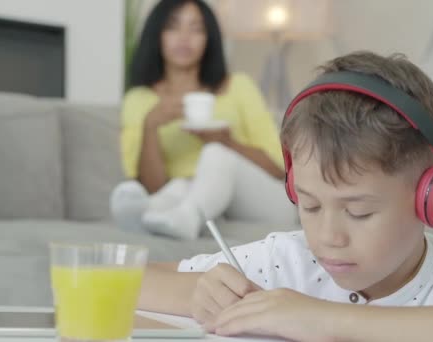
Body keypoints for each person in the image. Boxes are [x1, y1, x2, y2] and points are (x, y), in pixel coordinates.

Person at [136, 51, 433, 341]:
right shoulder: (287, 262)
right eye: (308, 205)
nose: (327, 237)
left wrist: (328, 321)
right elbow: (127, 278)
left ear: (432, 197)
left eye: (359, 211)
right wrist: (199, 292)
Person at [111, 0, 295, 240]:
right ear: (157, 34)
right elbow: (154, 187)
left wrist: (226, 142)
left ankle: (186, 216)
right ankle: (148, 212)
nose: (184, 37)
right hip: (206, 200)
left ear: (209, 38)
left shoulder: (238, 86)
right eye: (173, 27)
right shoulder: (139, 100)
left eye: (196, 29)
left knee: (215, 153)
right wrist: (150, 127)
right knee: (179, 186)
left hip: (267, 201)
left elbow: (280, 167)